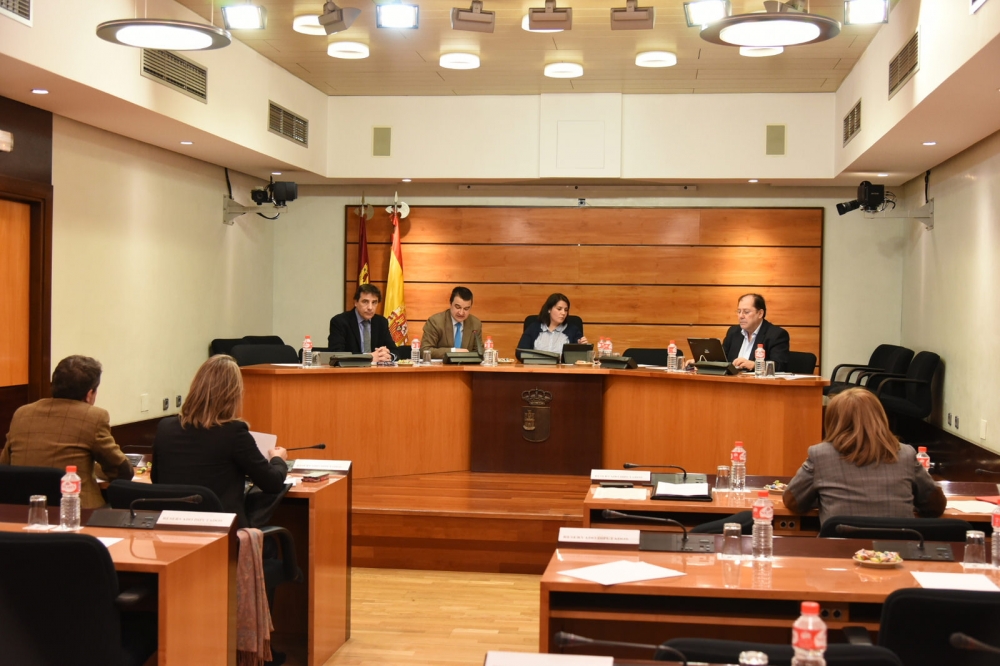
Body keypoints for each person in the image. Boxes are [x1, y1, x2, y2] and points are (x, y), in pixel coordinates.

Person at [151, 355, 288, 528]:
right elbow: (272, 483)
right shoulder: (234, 432)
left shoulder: (165, 428)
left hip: (171, 529)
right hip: (222, 531)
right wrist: (278, 459)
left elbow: (157, 479)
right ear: (234, 394)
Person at [783, 388, 946, 525]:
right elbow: (934, 506)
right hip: (896, 549)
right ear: (880, 418)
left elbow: (793, 501)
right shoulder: (906, 454)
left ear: (833, 421)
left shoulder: (820, 455)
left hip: (840, 549)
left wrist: (823, 496)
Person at [0, 355, 132, 508]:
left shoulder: (22, 413)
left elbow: (5, 464)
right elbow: (121, 471)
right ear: (89, 394)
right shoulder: (94, 416)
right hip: (78, 510)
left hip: (23, 509)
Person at [328, 284, 398, 363]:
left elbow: (395, 351)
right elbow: (336, 354)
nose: (370, 307)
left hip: (376, 370)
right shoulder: (340, 321)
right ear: (356, 302)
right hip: (350, 369)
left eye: (374, 302)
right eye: (365, 302)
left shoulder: (381, 322)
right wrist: (368, 357)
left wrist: (388, 356)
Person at [722, 293, 790, 372]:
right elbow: (722, 361)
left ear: (760, 313)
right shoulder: (733, 332)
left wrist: (755, 365)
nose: (741, 316)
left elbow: (780, 366)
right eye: (739, 311)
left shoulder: (776, 335)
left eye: (746, 312)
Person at [516, 293, 588, 358]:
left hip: (562, 368)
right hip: (536, 367)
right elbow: (520, 353)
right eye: (559, 309)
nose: (563, 313)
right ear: (549, 309)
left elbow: (581, 357)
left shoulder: (573, 330)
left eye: (566, 310)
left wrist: (582, 347)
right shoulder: (533, 328)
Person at [420, 286, 485, 359]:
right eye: (458, 307)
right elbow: (425, 351)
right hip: (441, 366)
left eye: (466, 309)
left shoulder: (475, 324)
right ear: (450, 304)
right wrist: (453, 351)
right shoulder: (435, 322)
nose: (461, 313)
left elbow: (479, 352)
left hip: (465, 366)